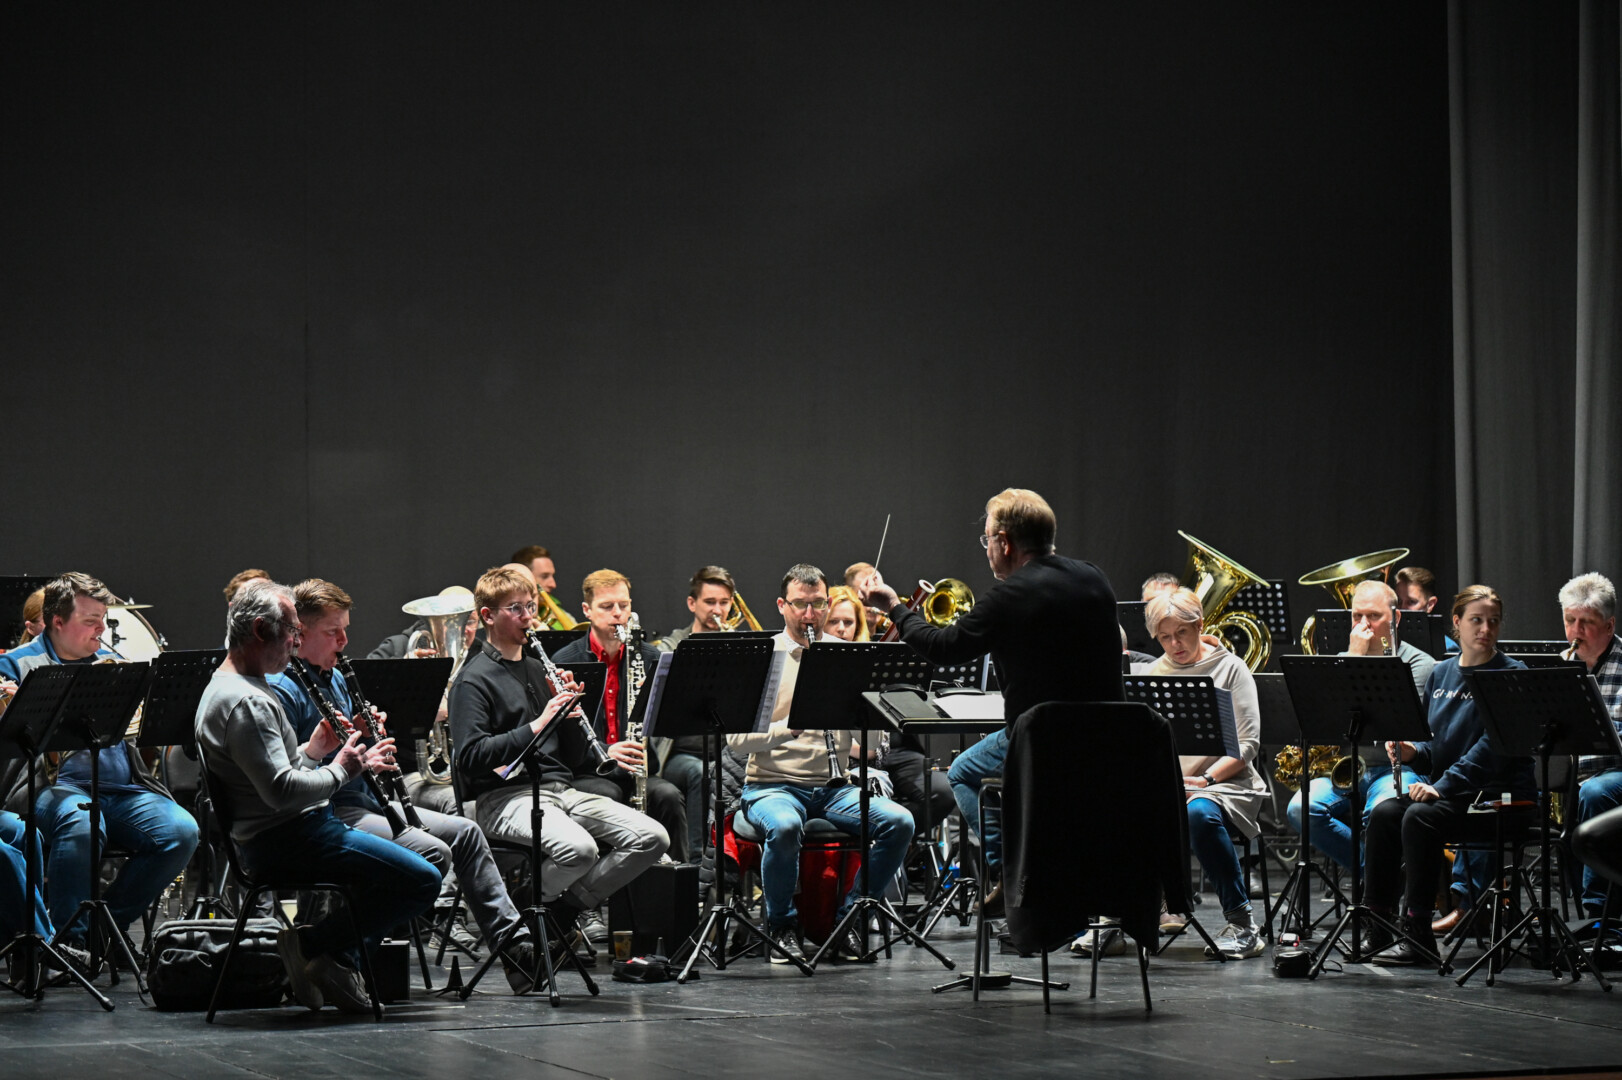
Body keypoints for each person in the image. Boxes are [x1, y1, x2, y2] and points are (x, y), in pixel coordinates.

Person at [267, 578, 538, 991]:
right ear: (300, 632)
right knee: (430, 852)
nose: (344, 641)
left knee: (465, 833)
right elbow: (287, 778)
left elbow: (350, 749)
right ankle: (338, 954)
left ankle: (516, 951)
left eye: (345, 630)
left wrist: (368, 741)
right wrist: (350, 760)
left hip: (363, 802)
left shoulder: (335, 678)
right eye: (333, 632)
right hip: (327, 811)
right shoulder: (284, 688)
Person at [859, 488, 1120, 913]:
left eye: (986, 540)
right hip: (1107, 742)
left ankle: (1012, 875)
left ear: (1004, 541)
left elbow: (941, 646)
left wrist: (895, 607)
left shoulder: (1009, 596)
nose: (986, 550)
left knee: (963, 771)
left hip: (1042, 741)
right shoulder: (1094, 578)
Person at [194, 579, 440, 1013]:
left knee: (404, 868)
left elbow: (277, 776)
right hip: (289, 839)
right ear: (260, 629)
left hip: (288, 831)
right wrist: (344, 769)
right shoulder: (247, 701)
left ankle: (334, 960)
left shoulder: (233, 684)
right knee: (422, 880)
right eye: (291, 631)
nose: (295, 641)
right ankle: (317, 949)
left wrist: (314, 751)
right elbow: (282, 793)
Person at [448, 566, 667, 934]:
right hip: (503, 798)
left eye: (530, 606)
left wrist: (570, 716)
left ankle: (559, 908)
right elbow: (471, 758)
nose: (528, 617)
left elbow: (575, 758)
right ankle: (529, 905)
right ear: (488, 615)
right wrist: (539, 723)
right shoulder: (472, 680)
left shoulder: (537, 669)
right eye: (515, 608)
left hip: (561, 790)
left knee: (652, 838)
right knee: (580, 850)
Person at [0, 572, 199, 951]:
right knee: (82, 822)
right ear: (58, 621)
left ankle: (102, 932)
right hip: (49, 789)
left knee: (181, 831)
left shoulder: (113, 663)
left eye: (103, 619)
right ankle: (67, 942)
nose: (101, 629)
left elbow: (139, 728)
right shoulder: (17, 665)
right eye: (91, 621)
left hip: (122, 789)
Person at [730, 563, 914, 962]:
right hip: (771, 786)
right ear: (782, 605)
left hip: (833, 787)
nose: (810, 614)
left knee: (900, 822)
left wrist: (872, 717)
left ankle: (850, 920)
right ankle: (782, 925)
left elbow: (868, 747)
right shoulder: (763, 658)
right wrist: (791, 727)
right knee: (784, 826)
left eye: (817, 604)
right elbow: (736, 741)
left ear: (828, 603)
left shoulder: (846, 656)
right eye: (800, 604)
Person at [1363, 585, 1535, 964]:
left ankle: (1418, 933)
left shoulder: (1511, 675)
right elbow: (1434, 748)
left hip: (1501, 799)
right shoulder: (1442, 673)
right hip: (1455, 796)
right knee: (1384, 813)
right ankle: (1378, 925)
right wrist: (1413, 752)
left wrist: (1440, 787)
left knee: (1420, 817)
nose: (1485, 629)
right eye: (1476, 620)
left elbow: (1492, 753)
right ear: (1457, 623)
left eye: (1493, 621)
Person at [1144, 587, 1269, 958]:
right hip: (1172, 785)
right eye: (1164, 637)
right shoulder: (1154, 672)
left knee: (1198, 813)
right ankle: (1116, 921)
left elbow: (1247, 745)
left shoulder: (1231, 669)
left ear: (1199, 625)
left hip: (1226, 783)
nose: (1174, 644)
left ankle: (1243, 925)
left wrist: (1205, 780)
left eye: (1181, 633)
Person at [1284, 581, 1436, 875]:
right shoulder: (1344, 659)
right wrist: (1353, 657)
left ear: (1396, 618)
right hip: (1348, 768)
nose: (1363, 624)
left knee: (1380, 812)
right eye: (1357, 616)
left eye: (1374, 616)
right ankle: (1379, 876)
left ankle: (1378, 883)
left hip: (1395, 770)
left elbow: (1403, 725)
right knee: (1300, 808)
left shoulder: (1419, 664)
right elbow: (1328, 723)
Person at [554, 570, 686, 860]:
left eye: (623, 605)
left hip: (636, 770)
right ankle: (603, 882)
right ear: (587, 610)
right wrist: (606, 751)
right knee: (607, 796)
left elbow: (673, 726)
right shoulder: (566, 661)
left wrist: (657, 704)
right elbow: (562, 738)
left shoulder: (649, 657)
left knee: (668, 796)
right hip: (588, 771)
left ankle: (676, 878)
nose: (617, 613)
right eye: (606, 606)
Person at [823, 585, 955, 836]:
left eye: (848, 622)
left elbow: (874, 747)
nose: (841, 629)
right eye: (834, 621)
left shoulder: (875, 659)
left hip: (889, 750)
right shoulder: (813, 662)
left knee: (943, 792)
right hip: (843, 759)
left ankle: (895, 841)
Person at [650, 565, 740, 861]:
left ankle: (736, 864)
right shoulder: (671, 647)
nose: (718, 610)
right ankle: (698, 863)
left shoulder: (739, 648)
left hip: (726, 750)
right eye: (710, 602)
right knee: (701, 773)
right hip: (678, 755)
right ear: (692, 603)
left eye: (724, 603)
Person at [1557, 573, 1622, 920]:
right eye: (1570, 621)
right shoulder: (1563, 666)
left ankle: (1601, 918)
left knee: (1596, 792)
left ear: (1609, 626)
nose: (1576, 632)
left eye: (1587, 623)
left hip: (1614, 774)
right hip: (1577, 775)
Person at [1396, 565, 1457, 651]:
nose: (1402, 608)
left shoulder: (1448, 647)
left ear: (1430, 604)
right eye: (1398, 601)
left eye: (1412, 602)